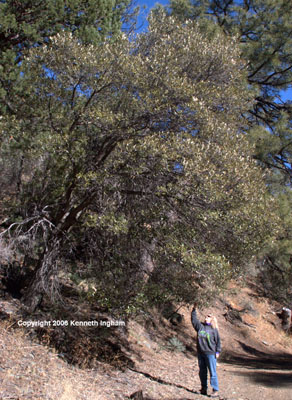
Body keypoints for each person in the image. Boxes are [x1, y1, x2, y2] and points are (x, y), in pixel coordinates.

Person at [191, 304, 221, 398]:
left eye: (208, 317)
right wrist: (194, 310)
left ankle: (215, 390)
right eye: (205, 317)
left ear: (212, 319)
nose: (206, 318)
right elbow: (194, 320)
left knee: (212, 372)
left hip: (210, 354)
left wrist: (217, 352)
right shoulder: (200, 327)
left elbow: (218, 342)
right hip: (201, 353)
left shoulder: (214, 330)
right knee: (202, 372)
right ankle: (203, 388)